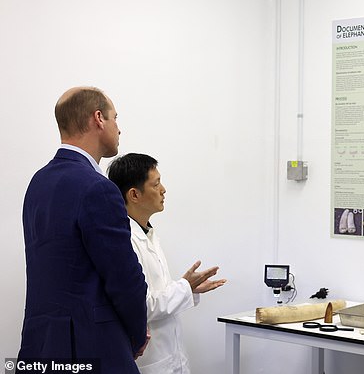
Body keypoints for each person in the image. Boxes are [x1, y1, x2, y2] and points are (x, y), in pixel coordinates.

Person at [19, 87, 149, 372]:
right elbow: (124, 279)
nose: (119, 128)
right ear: (99, 118)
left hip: (39, 346)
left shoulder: (37, 184)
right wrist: (138, 334)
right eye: (116, 118)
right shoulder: (98, 188)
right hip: (91, 347)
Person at [108, 153, 227, 374]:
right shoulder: (126, 242)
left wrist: (188, 290)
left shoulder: (148, 234)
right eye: (156, 184)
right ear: (134, 194)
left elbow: (158, 293)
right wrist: (184, 287)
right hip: (150, 363)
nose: (164, 190)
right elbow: (140, 306)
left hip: (170, 358)